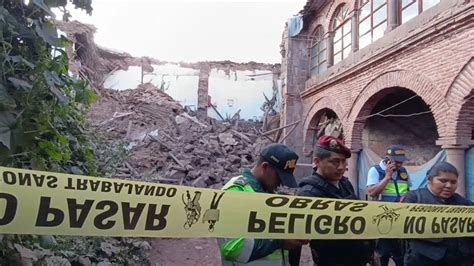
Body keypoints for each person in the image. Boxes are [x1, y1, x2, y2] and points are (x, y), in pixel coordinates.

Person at [289, 136, 374, 266]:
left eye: (344, 161)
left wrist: (370, 253)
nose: (341, 167)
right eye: (335, 161)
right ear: (317, 161)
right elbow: (296, 239)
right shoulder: (308, 194)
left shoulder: (345, 184)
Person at [219, 143, 308, 265]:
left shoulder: (270, 195)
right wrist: (280, 241)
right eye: (279, 177)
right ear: (265, 167)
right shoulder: (235, 192)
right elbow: (232, 249)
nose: (281, 184)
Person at [403, 161, 474, 266]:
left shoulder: (463, 203)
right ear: (430, 180)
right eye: (443, 181)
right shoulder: (414, 198)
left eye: (453, 182)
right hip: (423, 260)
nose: (449, 185)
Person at [366, 145, 411, 266]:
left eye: (401, 162)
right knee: (382, 256)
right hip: (382, 220)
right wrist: (387, 177)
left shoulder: (404, 172)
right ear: (388, 159)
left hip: (400, 219)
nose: (400, 165)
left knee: (401, 256)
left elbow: (408, 191)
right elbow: (372, 192)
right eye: (397, 162)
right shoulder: (375, 170)